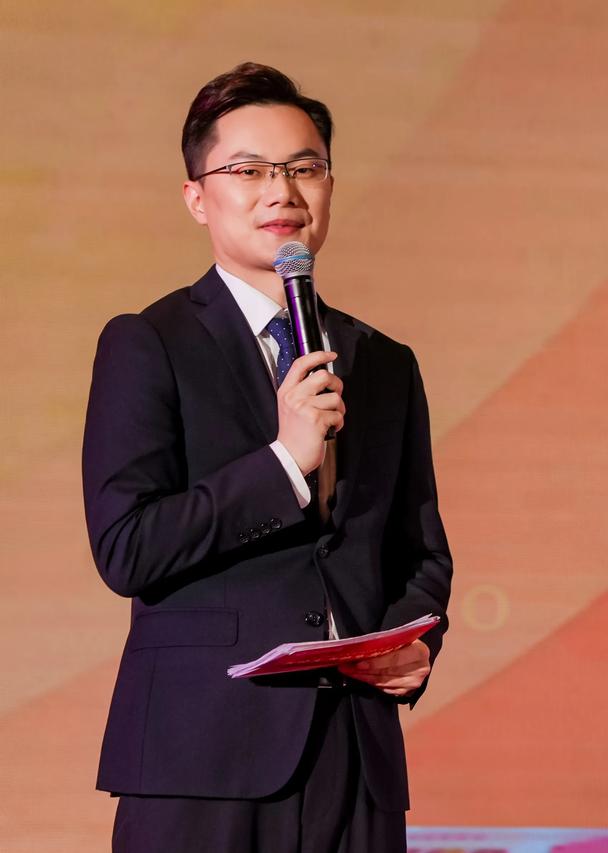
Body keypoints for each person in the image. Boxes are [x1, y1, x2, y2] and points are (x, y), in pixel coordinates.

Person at [81, 62, 452, 852]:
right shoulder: (148, 343)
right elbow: (127, 546)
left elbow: (419, 551)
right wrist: (284, 461)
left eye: (305, 168)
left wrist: (412, 641)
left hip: (354, 756)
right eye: (249, 171)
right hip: (201, 757)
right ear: (197, 197)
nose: (282, 191)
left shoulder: (383, 360)